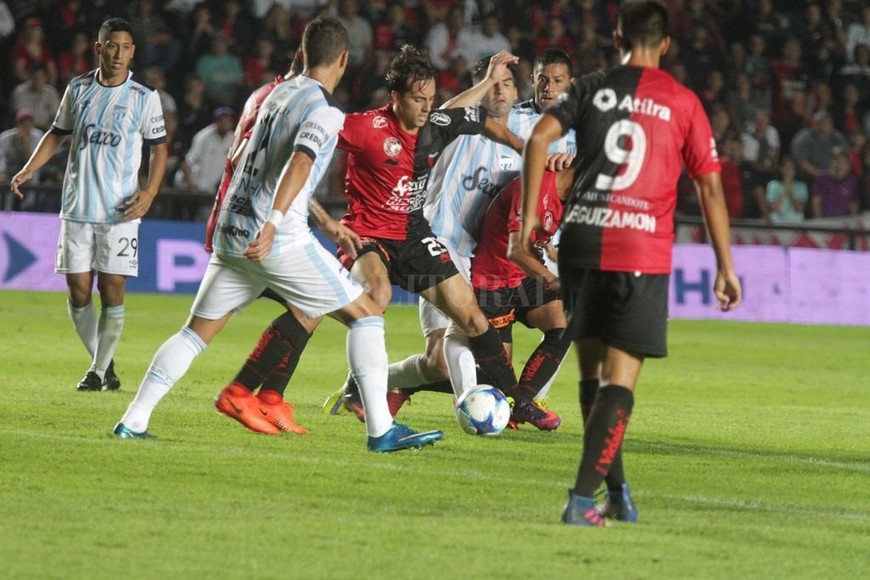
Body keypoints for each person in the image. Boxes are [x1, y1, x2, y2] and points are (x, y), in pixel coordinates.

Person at [112, 17, 443, 453]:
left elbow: (250, 162)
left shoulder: (267, 96)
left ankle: (133, 420)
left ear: (303, 54)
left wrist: (323, 222)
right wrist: (272, 224)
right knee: (366, 313)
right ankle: (381, 431)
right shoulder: (324, 110)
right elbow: (300, 163)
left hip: (233, 229)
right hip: (277, 237)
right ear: (343, 59)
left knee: (195, 333)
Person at [520, 1, 741, 527]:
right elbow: (709, 185)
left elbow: (537, 139)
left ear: (618, 34)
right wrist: (725, 266)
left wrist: (529, 216)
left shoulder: (590, 86)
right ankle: (580, 500)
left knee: (592, 376)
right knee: (620, 382)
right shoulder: (684, 101)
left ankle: (616, 494)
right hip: (639, 250)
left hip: (580, 244)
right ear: (665, 44)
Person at [10, 17, 168, 392]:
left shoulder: (144, 97)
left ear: (133, 52)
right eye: (112, 45)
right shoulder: (78, 89)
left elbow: (159, 149)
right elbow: (56, 133)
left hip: (119, 213)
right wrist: (28, 169)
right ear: (99, 48)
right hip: (78, 206)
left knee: (112, 291)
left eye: (126, 47)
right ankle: (105, 362)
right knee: (78, 293)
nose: (118, 53)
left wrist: (148, 193)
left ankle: (96, 373)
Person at [469, 167, 575, 426]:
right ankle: (406, 382)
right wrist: (553, 279)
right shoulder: (535, 187)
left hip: (523, 277)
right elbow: (516, 250)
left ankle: (521, 404)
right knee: (493, 376)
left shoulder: (564, 196)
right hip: (493, 279)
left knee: (566, 320)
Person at [765, 156, 808, 223]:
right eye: (786, 168)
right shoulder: (773, 185)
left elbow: (799, 209)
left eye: (791, 168)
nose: (788, 170)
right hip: (777, 219)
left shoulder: (801, 186)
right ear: (781, 169)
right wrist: (785, 189)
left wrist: (790, 190)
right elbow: (774, 208)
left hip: (795, 219)